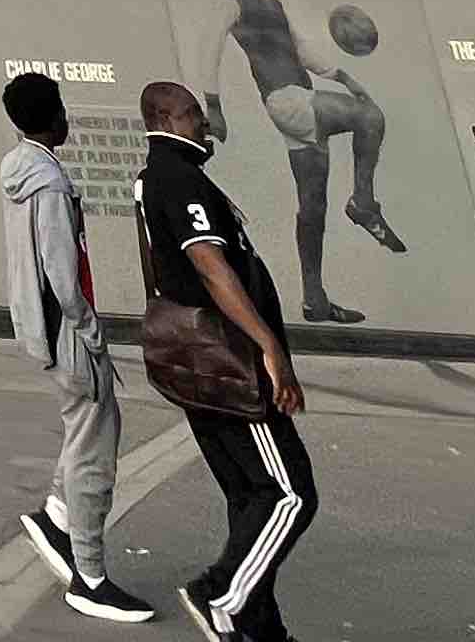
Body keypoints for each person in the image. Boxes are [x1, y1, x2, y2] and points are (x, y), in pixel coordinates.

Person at [136, 80, 318, 641]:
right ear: (166, 121)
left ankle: (261, 628)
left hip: (196, 364)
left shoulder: (152, 178)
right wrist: (268, 348)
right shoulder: (180, 179)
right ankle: (222, 593)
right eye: (194, 115)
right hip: (229, 363)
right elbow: (212, 266)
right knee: (290, 495)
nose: (205, 124)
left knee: (250, 495)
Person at [3, 71, 157, 623]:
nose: (69, 118)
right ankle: (89, 578)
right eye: (63, 109)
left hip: (44, 327)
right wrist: (90, 331)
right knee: (96, 447)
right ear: (52, 117)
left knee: (83, 427)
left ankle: (56, 514)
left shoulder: (22, 168)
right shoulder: (48, 184)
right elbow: (62, 274)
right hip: (69, 331)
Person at [207, 0, 402, 325]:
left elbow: (298, 46)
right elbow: (208, 49)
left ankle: (314, 300)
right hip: (287, 100)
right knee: (370, 116)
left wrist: (344, 78)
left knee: (312, 206)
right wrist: (213, 106)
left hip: (298, 99)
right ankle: (364, 204)